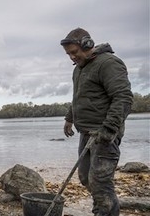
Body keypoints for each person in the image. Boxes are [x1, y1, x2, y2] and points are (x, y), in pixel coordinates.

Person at [60, 27, 133, 216]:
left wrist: (109, 129)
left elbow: (123, 98)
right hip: (86, 133)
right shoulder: (79, 69)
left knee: (100, 182)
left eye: (74, 52)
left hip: (104, 135)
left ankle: (105, 211)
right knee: (85, 177)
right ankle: (102, 207)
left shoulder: (108, 63)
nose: (72, 57)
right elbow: (79, 97)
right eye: (68, 54)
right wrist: (69, 118)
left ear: (87, 44)